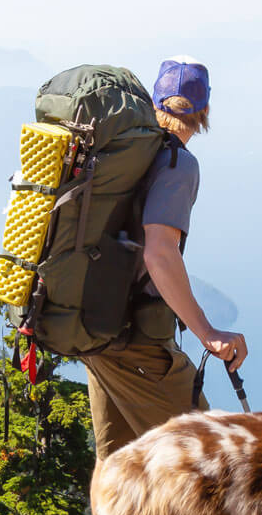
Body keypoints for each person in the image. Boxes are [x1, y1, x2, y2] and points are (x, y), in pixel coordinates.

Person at [82, 59, 250, 469]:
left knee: (122, 472)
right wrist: (208, 332)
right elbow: (159, 252)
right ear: (203, 112)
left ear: (155, 101)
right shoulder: (176, 164)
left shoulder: (122, 153)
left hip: (96, 331)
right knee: (214, 460)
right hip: (136, 344)